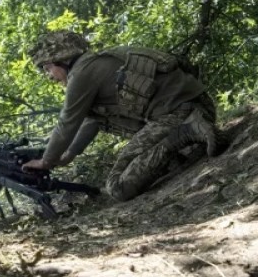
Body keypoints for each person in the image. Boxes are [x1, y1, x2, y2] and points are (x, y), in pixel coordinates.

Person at [21, 31, 225, 202]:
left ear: (62, 59)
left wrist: (46, 161)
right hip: (200, 105)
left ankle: (188, 133)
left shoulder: (81, 75)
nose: (49, 76)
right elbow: (93, 120)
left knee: (117, 187)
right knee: (162, 162)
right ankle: (191, 136)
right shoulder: (99, 61)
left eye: (48, 68)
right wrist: (70, 154)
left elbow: (67, 122)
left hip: (176, 115)